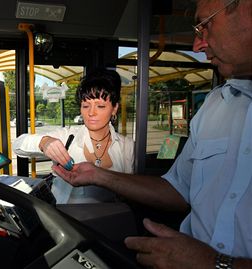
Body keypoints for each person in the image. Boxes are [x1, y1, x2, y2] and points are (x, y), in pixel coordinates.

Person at [53, 0, 252, 268]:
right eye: (86, 105)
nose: (197, 45)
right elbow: (180, 189)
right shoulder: (216, 105)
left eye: (205, 25)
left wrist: (212, 263)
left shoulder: (127, 146)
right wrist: (97, 175)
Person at [13, 68, 134, 204]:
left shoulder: (127, 147)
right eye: (86, 105)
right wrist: (44, 142)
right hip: (65, 222)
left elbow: (135, 191)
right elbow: (18, 144)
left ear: (115, 108)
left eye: (100, 106)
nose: (91, 113)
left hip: (111, 222)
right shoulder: (68, 137)